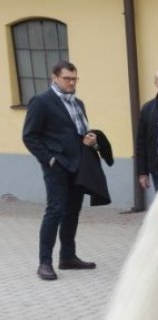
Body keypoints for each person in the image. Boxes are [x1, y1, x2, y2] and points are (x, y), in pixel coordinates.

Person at [22, 60, 100, 281]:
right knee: (55, 210)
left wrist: (89, 138)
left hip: (77, 165)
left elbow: (77, 131)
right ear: (54, 77)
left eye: (74, 78)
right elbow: (29, 136)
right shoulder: (41, 102)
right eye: (67, 78)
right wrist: (49, 159)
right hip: (56, 166)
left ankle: (67, 257)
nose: (71, 82)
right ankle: (44, 263)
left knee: (72, 212)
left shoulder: (78, 103)